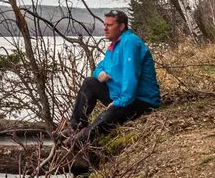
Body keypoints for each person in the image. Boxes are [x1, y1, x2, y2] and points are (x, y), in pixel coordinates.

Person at [67, 9, 160, 144]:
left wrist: (119, 102)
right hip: (121, 96)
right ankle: (75, 127)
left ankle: (77, 142)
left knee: (110, 113)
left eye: (109, 25)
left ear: (121, 27)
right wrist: (99, 74)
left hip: (142, 100)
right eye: (104, 25)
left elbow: (131, 76)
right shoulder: (114, 46)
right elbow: (99, 67)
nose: (105, 28)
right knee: (89, 83)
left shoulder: (130, 42)